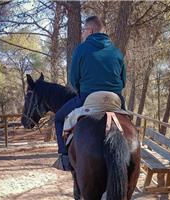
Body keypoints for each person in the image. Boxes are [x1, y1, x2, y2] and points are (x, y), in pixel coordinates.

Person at [53, 16, 126, 171]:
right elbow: (123, 80)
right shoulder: (117, 52)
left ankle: (64, 157)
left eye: (84, 30)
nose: (82, 34)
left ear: (91, 30)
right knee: (128, 122)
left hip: (88, 97)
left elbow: (73, 79)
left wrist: (82, 90)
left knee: (58, 118)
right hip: (115, 99)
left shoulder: (81, 49)